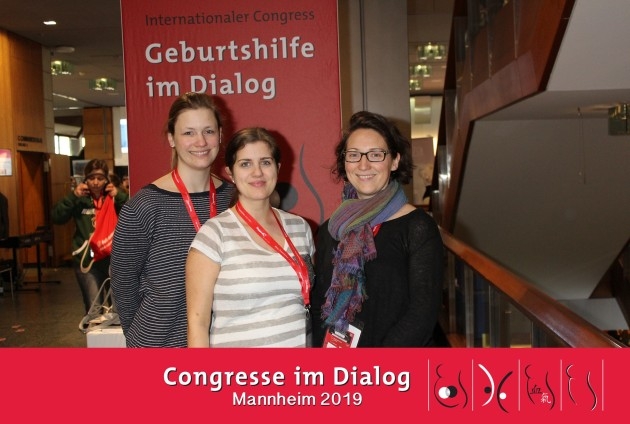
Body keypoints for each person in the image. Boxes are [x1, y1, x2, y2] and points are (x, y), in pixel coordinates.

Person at [110, 92, 235, 347]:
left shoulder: (234, 198)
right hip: (160, 345)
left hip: (225, 344)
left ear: (220, 135)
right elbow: (123, 286)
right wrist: (141, 338)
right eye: (188, 133)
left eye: (209, 131)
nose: (201, 141)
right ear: (171, 138)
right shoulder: (144, 207)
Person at [310, 111, 444, 347]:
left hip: (397, 364)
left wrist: (377, 364)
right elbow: (320, 303)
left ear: (395, 161)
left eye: (375, 154)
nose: (364, 164)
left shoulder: (417, 227)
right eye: (354, 155)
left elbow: (421, 315)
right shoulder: (331, 229)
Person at [186, 127, 315, 347]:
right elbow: (197, 323)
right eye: (245, 164)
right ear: (230, 172)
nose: (257, 172)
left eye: (265, 162)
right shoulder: (214, 234)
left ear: (277, 167)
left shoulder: (300, 228)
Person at [52, 159, 128, 313]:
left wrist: (119, 196)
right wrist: (73, 197)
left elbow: (135, 214)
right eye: (91, 178)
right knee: (94, 309)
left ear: (106, 180)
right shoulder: (79, 199)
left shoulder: (114, 198)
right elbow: (57, 217)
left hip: (113, 259)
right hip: (87, 260)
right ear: (85, 179)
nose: (95, 182)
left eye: (100, 178)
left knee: (119, 309)